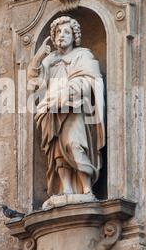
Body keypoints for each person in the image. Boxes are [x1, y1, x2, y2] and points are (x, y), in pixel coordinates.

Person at [28, 16, 105, 197]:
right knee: (57, 152)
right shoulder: (49, 60)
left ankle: (86, 190)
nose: (61, 35)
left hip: (73, 107)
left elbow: (91, 80)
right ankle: (67, 189)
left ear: (74, 36)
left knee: (74, 144)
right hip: (50, 109)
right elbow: (34, 83)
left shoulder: (83, 55)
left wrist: (71, 91)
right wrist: (37, 59)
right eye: (58, 32)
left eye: (66, 32)